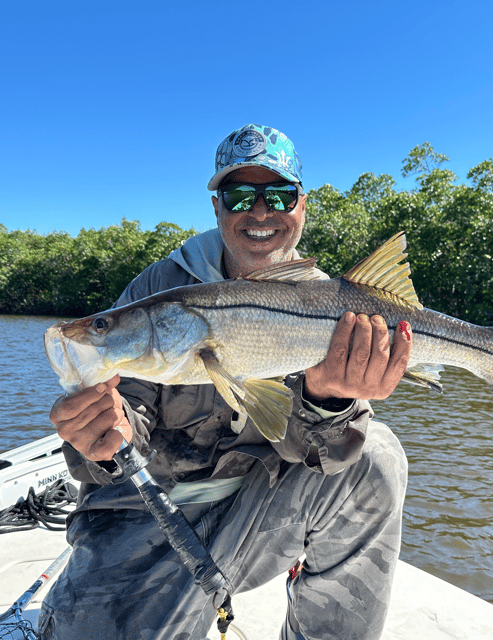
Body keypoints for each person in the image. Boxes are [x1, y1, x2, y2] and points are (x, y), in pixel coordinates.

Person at [40, 124, 411, 640]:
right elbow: (125, 421)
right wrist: (106, 437)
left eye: (279, 194)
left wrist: (329, 400)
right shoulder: (158, 289)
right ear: (217, 206)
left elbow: (328, 456)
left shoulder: (333, 302)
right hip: (150, 507)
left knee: (377, 457)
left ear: (302, 205)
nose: (259, 212)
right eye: (239, 194)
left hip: (260, 505)